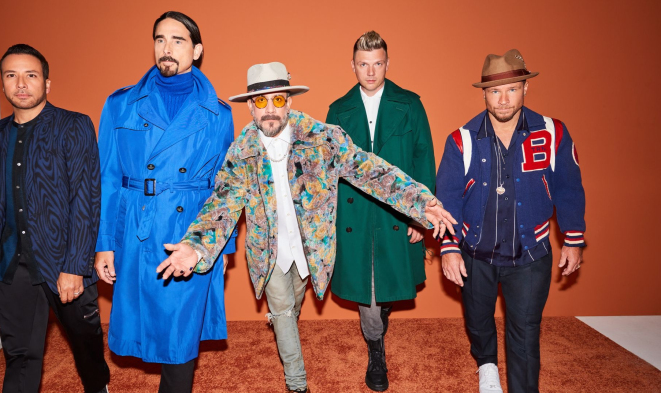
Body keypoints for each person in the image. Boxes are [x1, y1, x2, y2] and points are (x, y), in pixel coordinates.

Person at [157, 61, 457, 393]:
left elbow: (370, 170)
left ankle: (284, 324)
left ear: (289, 101)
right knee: (283, 311)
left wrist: (419, 201)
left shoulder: (324, 139)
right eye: (260, 101)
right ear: (250, 107)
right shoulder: (241, 153)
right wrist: (196, 246)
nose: (269, 109)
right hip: (267, 252)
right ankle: (297, 384)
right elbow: (222, 204)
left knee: (292, 307)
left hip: (311, 250)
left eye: (277, 99)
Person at [94, 11, 236, 393]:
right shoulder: (121, 104)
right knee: (149, 326)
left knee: (180, 337)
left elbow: (226, 187)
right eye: (160, 39)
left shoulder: (219, 113)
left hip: (189, 232)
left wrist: (220, 247)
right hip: (136, 230)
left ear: (197, 50)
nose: (166, 48)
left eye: (177, 40)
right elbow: (107, 177)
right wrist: (104, 243)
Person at [435, 49, 586, 393]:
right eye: (494, 91)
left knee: (525, 331)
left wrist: (573, 239)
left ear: (525, 88)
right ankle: (486, 365)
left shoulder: (552, 133)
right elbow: (448, 198)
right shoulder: (461, 140)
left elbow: (568, 188)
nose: (503, 100)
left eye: (512, 89)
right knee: (478, 321)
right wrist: (450, 248)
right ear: (484, 94)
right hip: (475, 252)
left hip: (530, 254)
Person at [0, 44, 110, 393]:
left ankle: (98, 388)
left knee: (85, 343)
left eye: (31, 75)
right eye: (12, 75)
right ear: (2, 83)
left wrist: (75, 266)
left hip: (63, 260)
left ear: (47, 84)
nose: (21, 84)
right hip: (11, 264)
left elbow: (86, 198)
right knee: (19, 354)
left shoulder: (74, 126)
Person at [326, 31, 436, 391]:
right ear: (353, 66)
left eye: (377, 64)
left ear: (387, 64)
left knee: (386, 286)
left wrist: (420, 213)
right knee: (368, 289)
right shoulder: (338, 110)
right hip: (355, 213)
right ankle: (376, 351)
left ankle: (381, 316)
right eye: (363, 64)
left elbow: (423, 159)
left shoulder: (410, 104)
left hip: (396, 212)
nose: (370, 72)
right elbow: (328, 170)